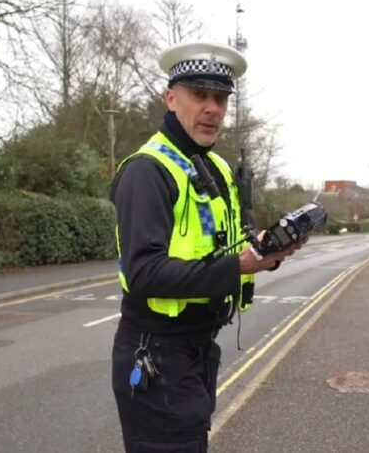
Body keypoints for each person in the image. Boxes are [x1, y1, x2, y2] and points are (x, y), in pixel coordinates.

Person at [110, 41, 303, 453]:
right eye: (200, 95)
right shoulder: (148, 171)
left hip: (195, 349)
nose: (212, 108)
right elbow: (143, 273)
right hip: (157, 353)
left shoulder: (212, 165)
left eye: (220, 98)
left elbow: (219, 246)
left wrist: (264, 252)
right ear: (170, 98)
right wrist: (240, 266)